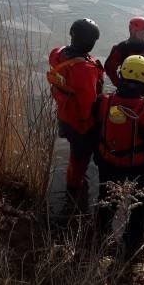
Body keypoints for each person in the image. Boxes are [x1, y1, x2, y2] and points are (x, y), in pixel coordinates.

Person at [95, 55, 144, 255]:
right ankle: (133, 242)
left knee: (106, 201)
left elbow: (94, 131)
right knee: (142, 206)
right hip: (139, 167)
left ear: (121, 74)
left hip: (108, 162)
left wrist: (98, 156)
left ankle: (100, 237)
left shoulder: (103, 102)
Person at [47, 18, 103, 192]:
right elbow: (88, 105)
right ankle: (73, 186)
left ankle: (74, 178)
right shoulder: (85, 70)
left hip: (65, 115)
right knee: (79, 158)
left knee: (75, 152)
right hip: (81, 124)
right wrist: (95, 126)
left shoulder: (57, 53)